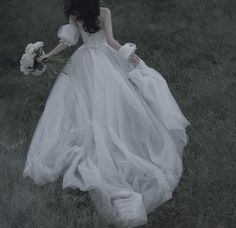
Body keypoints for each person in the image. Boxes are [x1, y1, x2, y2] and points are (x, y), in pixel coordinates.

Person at [23, 0, 190, 227]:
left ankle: (98, 141)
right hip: (104, 60)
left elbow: (68, 42)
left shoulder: (75, 14)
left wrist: (47, 56)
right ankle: (112, 140)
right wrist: (130, 56)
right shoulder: (103, 12)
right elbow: (110, 41)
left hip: (83, 62)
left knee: (84, 106)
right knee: (113, 104)